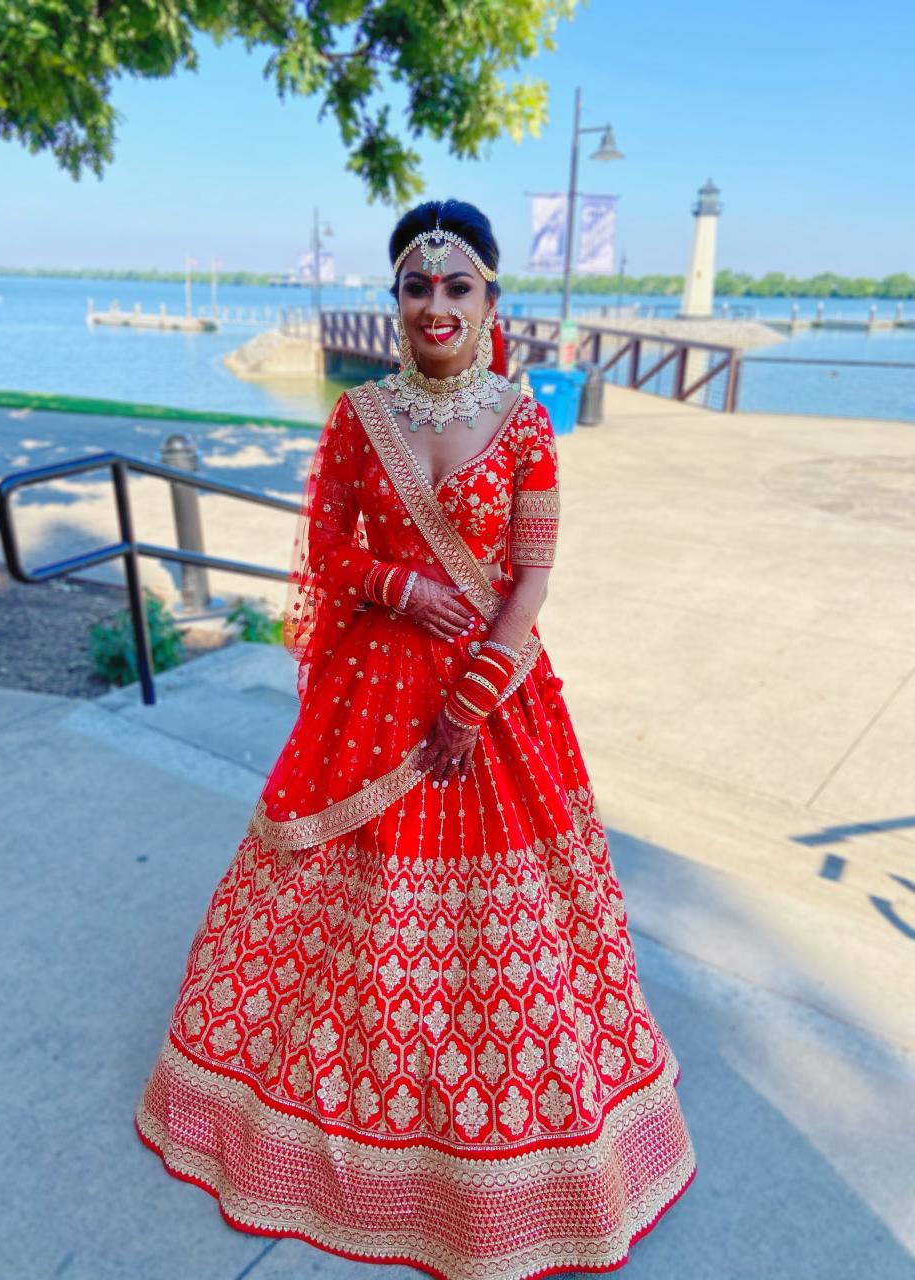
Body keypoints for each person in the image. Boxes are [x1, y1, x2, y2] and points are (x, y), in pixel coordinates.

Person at [134, 198, 697, 1278]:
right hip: (368, 697)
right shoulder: (361, 417)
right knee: (325, 915)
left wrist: (471, 697)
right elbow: (326, 550)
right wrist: (399, 582)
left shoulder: (526, 421)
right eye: (414, 284)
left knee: (521, 951)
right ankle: (300, 1130)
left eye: (457, 285)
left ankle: (523, 1179)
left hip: (492, 708)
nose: (434, 304)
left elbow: (530, 581)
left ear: (492, 295)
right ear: (394, 297)